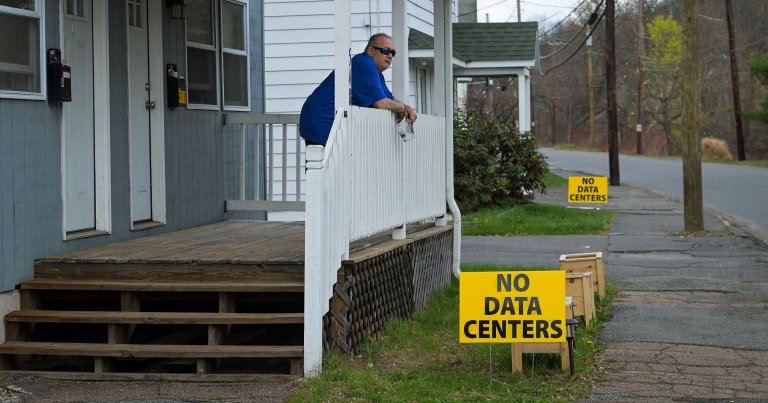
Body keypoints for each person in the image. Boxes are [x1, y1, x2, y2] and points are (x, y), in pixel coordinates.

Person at [299, 33, 417, 145]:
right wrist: (401, 108)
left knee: (333, 163)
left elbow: (388, 98)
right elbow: (381, 103)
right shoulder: (364, 64)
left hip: (327, 120)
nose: (390, 55)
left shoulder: (375, 72)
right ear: (371, 51)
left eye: (393, 53)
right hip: (322, 120)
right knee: (324, 164)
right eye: (385, 51)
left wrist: (407, 107)